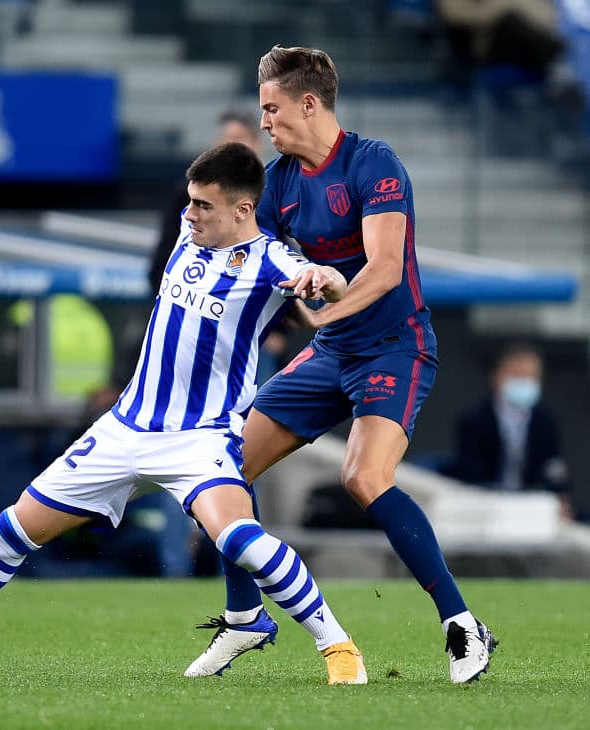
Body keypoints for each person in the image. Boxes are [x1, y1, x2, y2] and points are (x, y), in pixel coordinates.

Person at [0, 142, 369, 685]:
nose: (189, 213)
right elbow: (196, 207)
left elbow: (327, 285)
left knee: (237, 538)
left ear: (244, 210)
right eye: (190, 201)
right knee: (14, 528)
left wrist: (328, 280)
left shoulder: (273, 260)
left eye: (203, 205)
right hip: (124, 428)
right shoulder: (186, 230)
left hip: (200, 438)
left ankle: (337, 645)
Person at [184, 46, 497, 686]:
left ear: (308, 103)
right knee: (218, 467)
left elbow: (383, 268)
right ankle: (245, 618)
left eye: (271, 108)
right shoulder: (280, 184)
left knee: (364, 477)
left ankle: (462, 624)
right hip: (332, 354)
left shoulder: (372, 163)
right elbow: (252, 254)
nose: (264, 121)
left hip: (394, 347)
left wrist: (326, 309)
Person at [149, 109, 291, 384]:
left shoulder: (272, 197)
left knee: (249, 415)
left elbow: (283, 270)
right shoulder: (188, 195)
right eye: (225, 140)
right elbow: (162, 259)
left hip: (251, 333)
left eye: (239, 139)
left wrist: (280, 332)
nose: (194, 213)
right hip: (196, 324)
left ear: (256, 145)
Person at [451, 342, 575, 518]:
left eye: (531, 377)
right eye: (517, 376)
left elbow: (554, 469)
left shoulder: (545, 422)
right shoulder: (474, 420)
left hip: (532, 507)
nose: (524, 383)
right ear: (496, 377)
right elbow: (471, 475)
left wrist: (560, 499)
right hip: (488, 507)